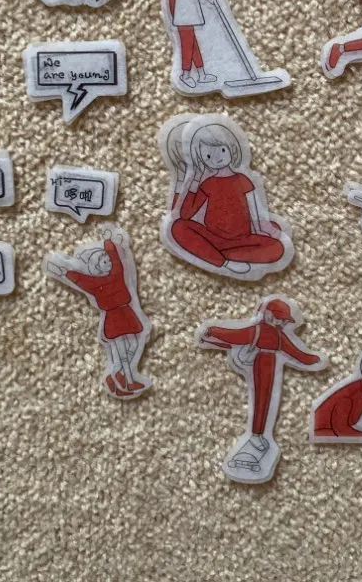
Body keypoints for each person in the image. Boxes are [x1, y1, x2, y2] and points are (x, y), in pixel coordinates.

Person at [200, 298, 325, 473]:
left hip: (271, 364)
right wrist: (213, 331)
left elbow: (293, 351)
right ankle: (255, 435)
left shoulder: (279, 335)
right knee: (261, 400)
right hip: (260, 364)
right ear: (269, 315)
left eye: (284, 320)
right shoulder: (257, 330)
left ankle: (258, 435)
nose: (282, 323)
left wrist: (310, 359)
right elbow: (235, 335)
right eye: (280, 318)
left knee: (266, 401)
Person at [170, 121, 288, 276]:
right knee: (178, 227)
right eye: (208, 156)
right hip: (213, 238)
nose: (217, 158)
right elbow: (185, 215)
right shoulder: (207, 183)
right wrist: (195, 180)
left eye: (222, 150)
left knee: (277, 248)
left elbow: (256, 210)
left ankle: (212, 255)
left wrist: (264, 227)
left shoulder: (242, 180)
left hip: (243, 240)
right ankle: (224, 262)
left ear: (232, 149)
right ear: (201, 160)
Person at [45, 229, 149, 398]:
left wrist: (109, 243)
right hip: (113, 318)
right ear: (96, 267)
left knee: (136, 344)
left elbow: (116, 261)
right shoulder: (94, 284)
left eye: (107, 260)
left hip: (127, 312)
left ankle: (117, 374)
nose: (108, 263)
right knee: (122, 352)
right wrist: (64, 272)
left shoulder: (117, 275)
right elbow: (80, 280)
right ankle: (128, 381)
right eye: (103, 261)